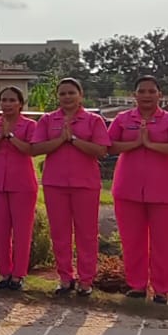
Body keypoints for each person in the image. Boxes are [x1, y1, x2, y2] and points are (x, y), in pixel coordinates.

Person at [107, 76, 168, 305]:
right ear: (134, 95)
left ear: (159, 95)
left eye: (151, 91)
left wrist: (153, 145)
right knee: (132, 240)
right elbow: (107, 145)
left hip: (165, 190)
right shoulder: (123, 119)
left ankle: (162, 288)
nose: (146, 95)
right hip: (128, 188)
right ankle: (137, 285)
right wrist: (134, 144)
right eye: (141, 91)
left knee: (164, 243)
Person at [32, 77, 110, 297]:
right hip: (55, 183)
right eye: (63, 93)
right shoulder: (48, 120)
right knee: (59, 233)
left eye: (71, 93)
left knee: (86, 234)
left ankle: (86, 280)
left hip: (85, 184)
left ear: (80, 95)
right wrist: (60, 140)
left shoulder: (93, 120)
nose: (67, 97)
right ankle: (65, 278)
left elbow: (101, 150)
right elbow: (36, 148)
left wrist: (73, 139)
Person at [0, 86, 38, 291]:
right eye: (3, 100)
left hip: (22, 183)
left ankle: (18, 274)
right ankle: (5, 272)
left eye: (12, 100)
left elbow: (31, 150)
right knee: (1, 230)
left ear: (20, 103)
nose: (7, 104)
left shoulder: (29, 125)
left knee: (22, 231)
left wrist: (10, 136)